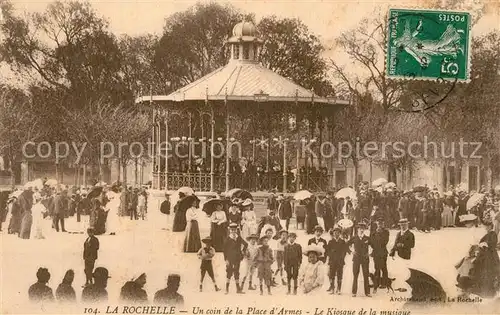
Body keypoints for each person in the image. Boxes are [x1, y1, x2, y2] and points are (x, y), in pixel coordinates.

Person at [471, 214, 500, 298]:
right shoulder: (487, 234)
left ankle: (489, 290)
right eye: (485, 227)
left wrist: (486, 244)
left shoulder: (493, 233)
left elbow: (493, 244)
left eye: (488, 227)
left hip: (490, 255)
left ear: (491, 226)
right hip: (484, 254)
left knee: (489, 271)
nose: (486, 228)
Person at [348, 222, 371, 297]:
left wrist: (370, 253)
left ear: (364, 229)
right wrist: (351, 252)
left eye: (363, 228)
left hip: (365, 259)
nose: (361, 230)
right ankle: (354, 292)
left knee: (366, 275)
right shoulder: (354, 238)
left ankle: (367, 292)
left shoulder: (367, 238)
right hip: (356, 259)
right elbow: (346, 245)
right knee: (355, 275)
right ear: (357, 229)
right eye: (360, 228)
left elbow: (375, 246)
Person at [224, 223, 248, 294]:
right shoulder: (228, 238)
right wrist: (226, 259)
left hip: (237, 258)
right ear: (230, 230)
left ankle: (238, 289)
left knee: (237, 272)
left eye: (234, 230)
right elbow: (224, 250)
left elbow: (246, 244)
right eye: (232, 230)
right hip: (230, 258)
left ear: (236, 230)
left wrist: (242, 251)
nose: (233, 231)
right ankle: (227, 289)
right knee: (229, 272)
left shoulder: (239, 237)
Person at [326, 227, 349, 295]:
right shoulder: (330, 242)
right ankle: (332, 288)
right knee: (332, 275)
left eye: (338, 232)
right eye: (335, 232)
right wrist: (331, 254)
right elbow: (328, 251)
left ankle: (339, 289)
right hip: (332, 261)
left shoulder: (342, 242)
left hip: (340, 261)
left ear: (340, 234)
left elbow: (344, 251)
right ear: (333, 233)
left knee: (339, 275)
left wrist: (341, 258)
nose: (336, 234)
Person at [370, 218, 389, 292]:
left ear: (383, 224)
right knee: (376, 268)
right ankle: (376, 283)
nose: (380, 225)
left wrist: (379, 234)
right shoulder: (374, 232)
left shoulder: (386, 232)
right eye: (378, 223)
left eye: (381, 224)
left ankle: (384, 283)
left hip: (383, 252)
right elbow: (371, 243)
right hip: (375, 253)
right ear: (376, 224)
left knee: (383, 267)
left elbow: (385, 242)